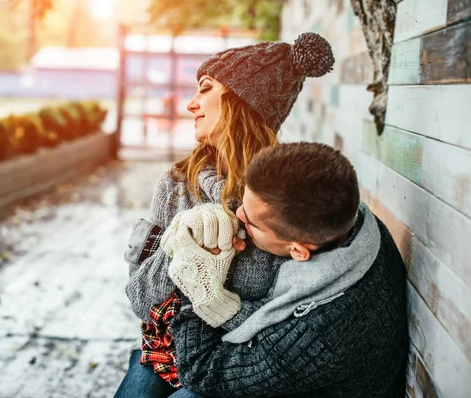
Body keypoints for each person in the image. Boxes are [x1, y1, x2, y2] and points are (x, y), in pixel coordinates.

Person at [115, 33, 335, 398]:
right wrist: (179, 245)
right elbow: (140, 298)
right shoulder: (176, 184)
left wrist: (215, 297)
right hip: (164, 354)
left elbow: (283, 321)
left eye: (205, 89)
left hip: (239, 366)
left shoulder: (286, 200)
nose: (191, 104)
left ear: (242, 100)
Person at [163, 142, 408, 397]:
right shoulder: (352, 219)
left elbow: (202, 370)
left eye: (252, 222)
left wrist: (196, 288)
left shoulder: (320, 336)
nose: (238, 215)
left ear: (298, 252)